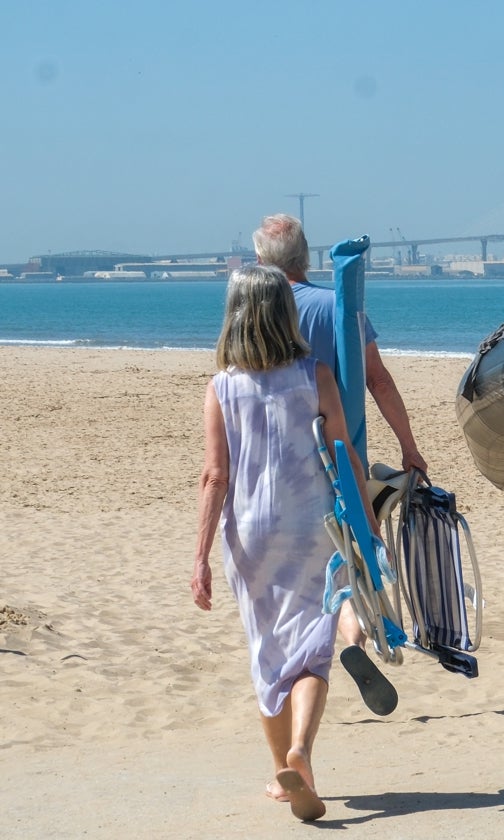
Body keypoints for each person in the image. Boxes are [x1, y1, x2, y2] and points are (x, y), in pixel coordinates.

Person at [191, 265, 380, 822]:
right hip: (311, 528)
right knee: (312, 650)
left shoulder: (221, 386)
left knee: (267, 650)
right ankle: (299, 753)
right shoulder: (315, 374)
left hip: (249, 533)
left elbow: (214, 477)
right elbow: (344, 455)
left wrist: (199, 557)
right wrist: (367, 528)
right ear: (284, 312)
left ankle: (286, 776)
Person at [253, 213, 418, 712]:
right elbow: (378, 381)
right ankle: (352, 642)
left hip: (277, 468)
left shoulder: (257, 315)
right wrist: (409, 446)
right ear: (306, 257)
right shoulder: (339, 308)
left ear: (263, 262)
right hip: (339, 459)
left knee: (293, 582)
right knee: (342, 564)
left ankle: (294, 685)